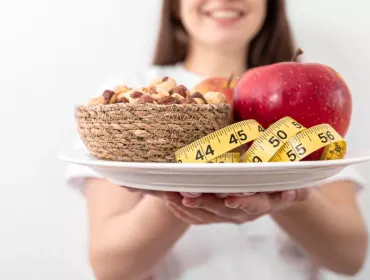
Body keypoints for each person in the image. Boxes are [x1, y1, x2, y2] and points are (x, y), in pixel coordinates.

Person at [66, 0, 368, 279]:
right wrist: (184, 191)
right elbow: (110, 267)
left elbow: (350, 258)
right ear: (174, 5)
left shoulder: (304, 95)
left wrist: (287, 195)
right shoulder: (129, 98)